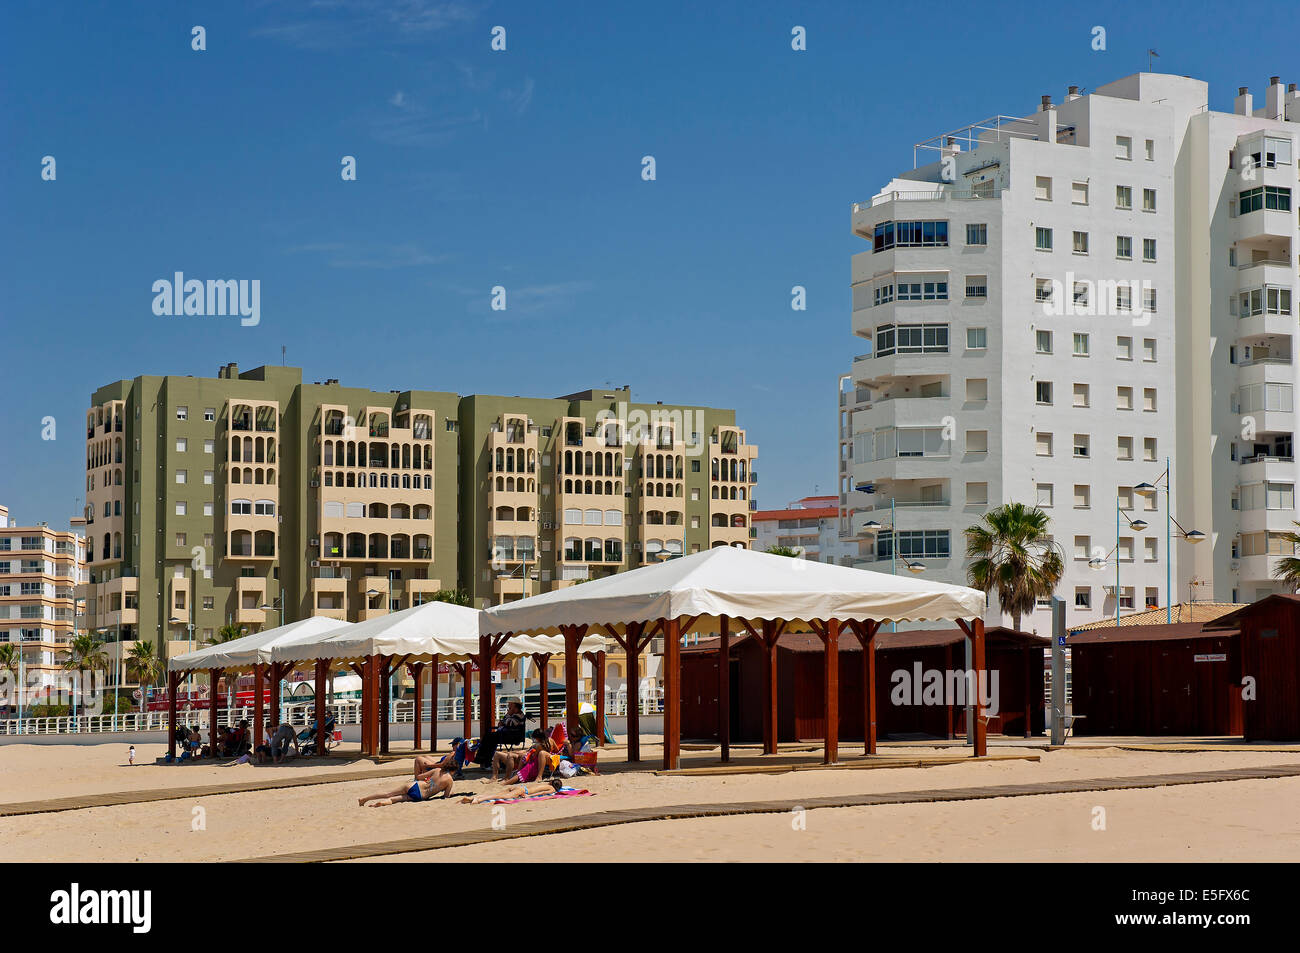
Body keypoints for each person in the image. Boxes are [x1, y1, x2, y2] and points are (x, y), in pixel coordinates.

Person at [358, 766, 455, 807]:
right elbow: (446, 796)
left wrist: (428, 780)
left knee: (388, 793)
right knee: (394, 800)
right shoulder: (450, 780)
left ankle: (364, 799)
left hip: (415, 785)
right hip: (420, 796)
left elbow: (419, 776)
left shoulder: (437, 770)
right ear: (453, 770)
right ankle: (380, 803)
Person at [471, 701, 526, 771]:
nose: (508, 705)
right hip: (507, 734)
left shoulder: (519, 715)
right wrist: (506, 719)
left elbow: (509, 723)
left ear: (514, 705)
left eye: (510, 704)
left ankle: (483, 761)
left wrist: (507, 716)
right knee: (488, 737)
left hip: (512, 736)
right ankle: (482, 759)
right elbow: (502, 722)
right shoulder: (513, 714)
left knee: (490, 738)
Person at [459, 778, 562, 804]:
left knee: (497, 794)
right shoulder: (552, 789)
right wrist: (529, 796)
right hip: (523, 790)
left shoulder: (544, 783)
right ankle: (478, 800)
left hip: (520, 787)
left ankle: (475, 797)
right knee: (502, 797)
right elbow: (543, 793)